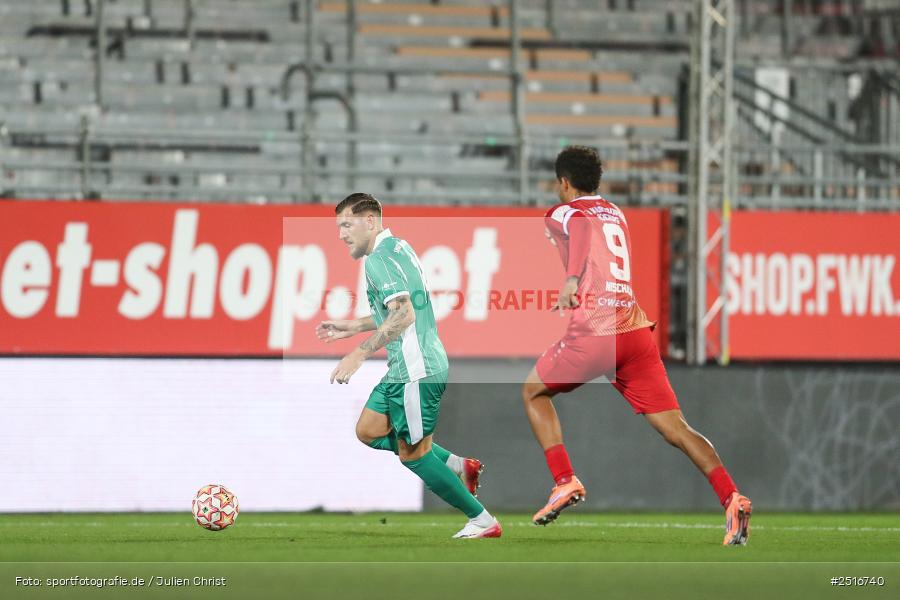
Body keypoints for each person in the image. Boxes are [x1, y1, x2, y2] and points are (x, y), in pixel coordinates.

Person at [522, 146, 752, 545]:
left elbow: (579, 229)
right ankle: (732, 498)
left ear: (564, 182)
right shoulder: (617, 213)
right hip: (634, 332)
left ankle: (564, 480)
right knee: (676, 428)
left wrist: (572, 280)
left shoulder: (564, 212)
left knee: (532, 392)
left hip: (596, 332)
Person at [316, 192, 501, 539]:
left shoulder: (377, 261)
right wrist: (351, 326)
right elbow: (395, 309)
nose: (341, 233)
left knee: (414, 455)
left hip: (417, 370)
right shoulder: (398, 248)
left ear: (369, 221)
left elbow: (403, 314)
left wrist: (358, 353)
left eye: (347, 224)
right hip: (405, 367)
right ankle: (458, 465)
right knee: (369, 430)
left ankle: (482, 520)